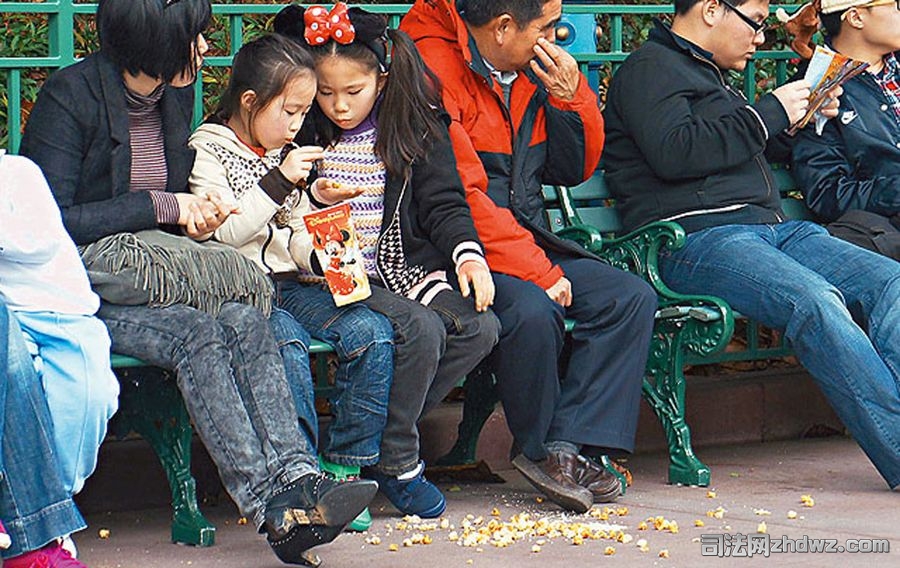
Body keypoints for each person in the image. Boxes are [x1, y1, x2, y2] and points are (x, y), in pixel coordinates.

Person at [19, 1, 376, 563]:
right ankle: (273, 509)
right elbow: (51, 218)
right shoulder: (72, 97)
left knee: (243, 316)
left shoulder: (173, 94)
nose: (206, 49)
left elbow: (180, 207)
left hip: (162, 266)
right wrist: (164, 206)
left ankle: (301, 480)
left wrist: (198, 212)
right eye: (196, 37)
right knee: (197, 334)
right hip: (87, 281)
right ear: (158, 40)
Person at [193, 3, 500, 519]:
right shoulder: (295, 124)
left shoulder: (412, 120)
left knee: (480, 328)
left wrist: (467, 256)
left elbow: (446, 200)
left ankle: (377, 438)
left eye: (352, 93)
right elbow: (277, 207)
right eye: (325, 92)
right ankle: (397, 458)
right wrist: (317, 194)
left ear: (381, 79)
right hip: (332, 266)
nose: (337, 107)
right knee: (417, 329)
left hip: (401, 266)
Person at [603, 0, 900, 491]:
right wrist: (767, 114)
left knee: (889, 282)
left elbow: (738, 148)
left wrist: (799, 121)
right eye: (756, 24)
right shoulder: (648, 69)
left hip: (772, 231)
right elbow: (674, 152)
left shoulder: (708, 72)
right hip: (696, 239)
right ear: (712, 10)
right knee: (814, 302)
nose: (761, 38)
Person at [400, 0, 657, 513]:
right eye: (544, 25)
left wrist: (573, 99)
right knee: (532, 309)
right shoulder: (431, 66)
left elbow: (571, 168)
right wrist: (539, 270)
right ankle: (538, 450)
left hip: (522, 235)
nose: (555, 34)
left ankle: (566, 447)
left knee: (628, 298)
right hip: (454, 247)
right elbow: (461, 196)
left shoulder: (524, 66)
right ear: (501, 27)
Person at [187, 32, 394, 532]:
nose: (300, 124)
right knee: (289, 347)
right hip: (242, 290)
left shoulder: (281, 149)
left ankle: (344, 466)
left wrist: (322, 253)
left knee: (371, 332)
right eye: (292, 111)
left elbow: (296, 228)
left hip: (291, 284)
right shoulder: (207, 151)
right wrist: (278, 179)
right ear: (250, 102)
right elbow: (228, 231)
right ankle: (298, 480)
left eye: (305, 112)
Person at [0, 152, 112, 568]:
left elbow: (38, 241)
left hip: (62, 312)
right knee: (17, 382)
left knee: (88, 396)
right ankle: (39, 525)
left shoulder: (17, 174)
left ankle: (48, 508)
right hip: (9, 318)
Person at [791, 0, 900, 259]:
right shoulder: (818, 90)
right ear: (856, 17)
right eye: (896, 5)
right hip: (885, 230)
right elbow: (827, 193)